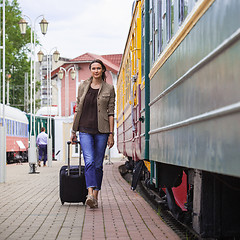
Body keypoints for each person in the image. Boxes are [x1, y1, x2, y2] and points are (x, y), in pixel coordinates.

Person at [71, 59, 115, 208]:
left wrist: (111, 134)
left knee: (98, 165)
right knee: (89, 161)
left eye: (98, 68)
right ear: (90, 70)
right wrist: (73, 131)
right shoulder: (83, 86)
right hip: (84, 130)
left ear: (103, 70)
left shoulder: (109, 89)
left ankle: (95, 196)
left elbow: (111, 113)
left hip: (102, 131)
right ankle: (90, 193)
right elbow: (78, 109)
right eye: (93, 68)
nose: (96, 71)